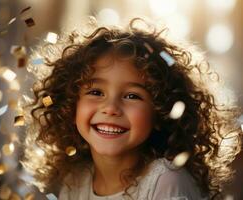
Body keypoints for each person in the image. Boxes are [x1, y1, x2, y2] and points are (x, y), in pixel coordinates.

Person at [21, 18, 241, 200]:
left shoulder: (166, 180)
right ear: (70, 105)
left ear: (161, 110)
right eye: (96, 92)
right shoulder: (74, 180)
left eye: (132, 96)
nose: (111, 108)